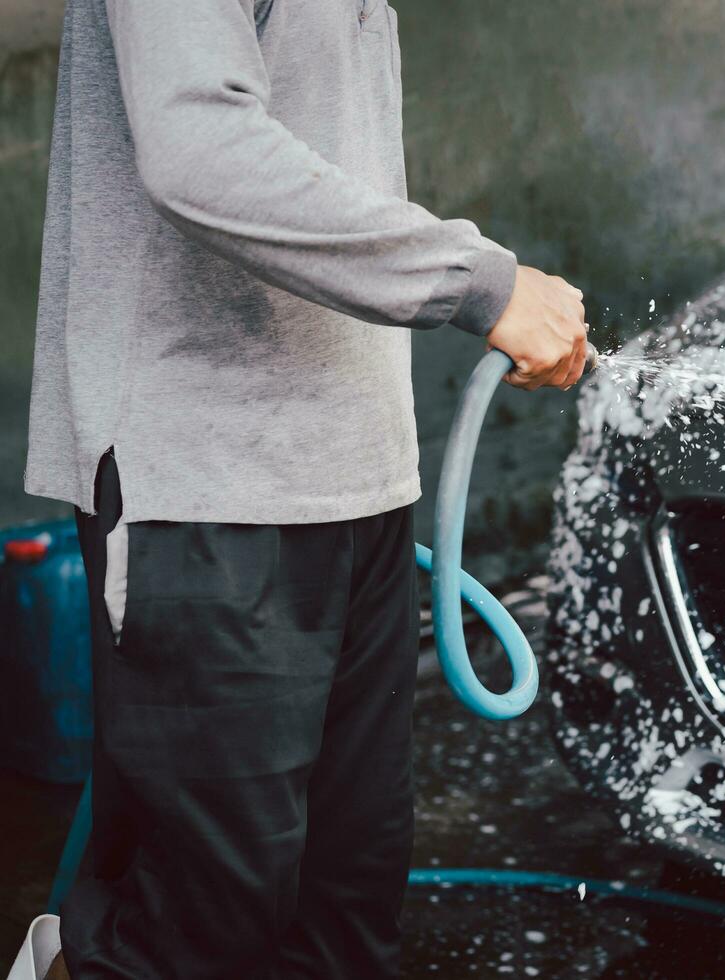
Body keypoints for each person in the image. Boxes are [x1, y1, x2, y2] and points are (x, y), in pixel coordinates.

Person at [23, 1, 588, 976]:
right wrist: (480, 282)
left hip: (357, 481)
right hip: (204, 488)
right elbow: (198, 145)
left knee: (344, 913)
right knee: (204, 930)